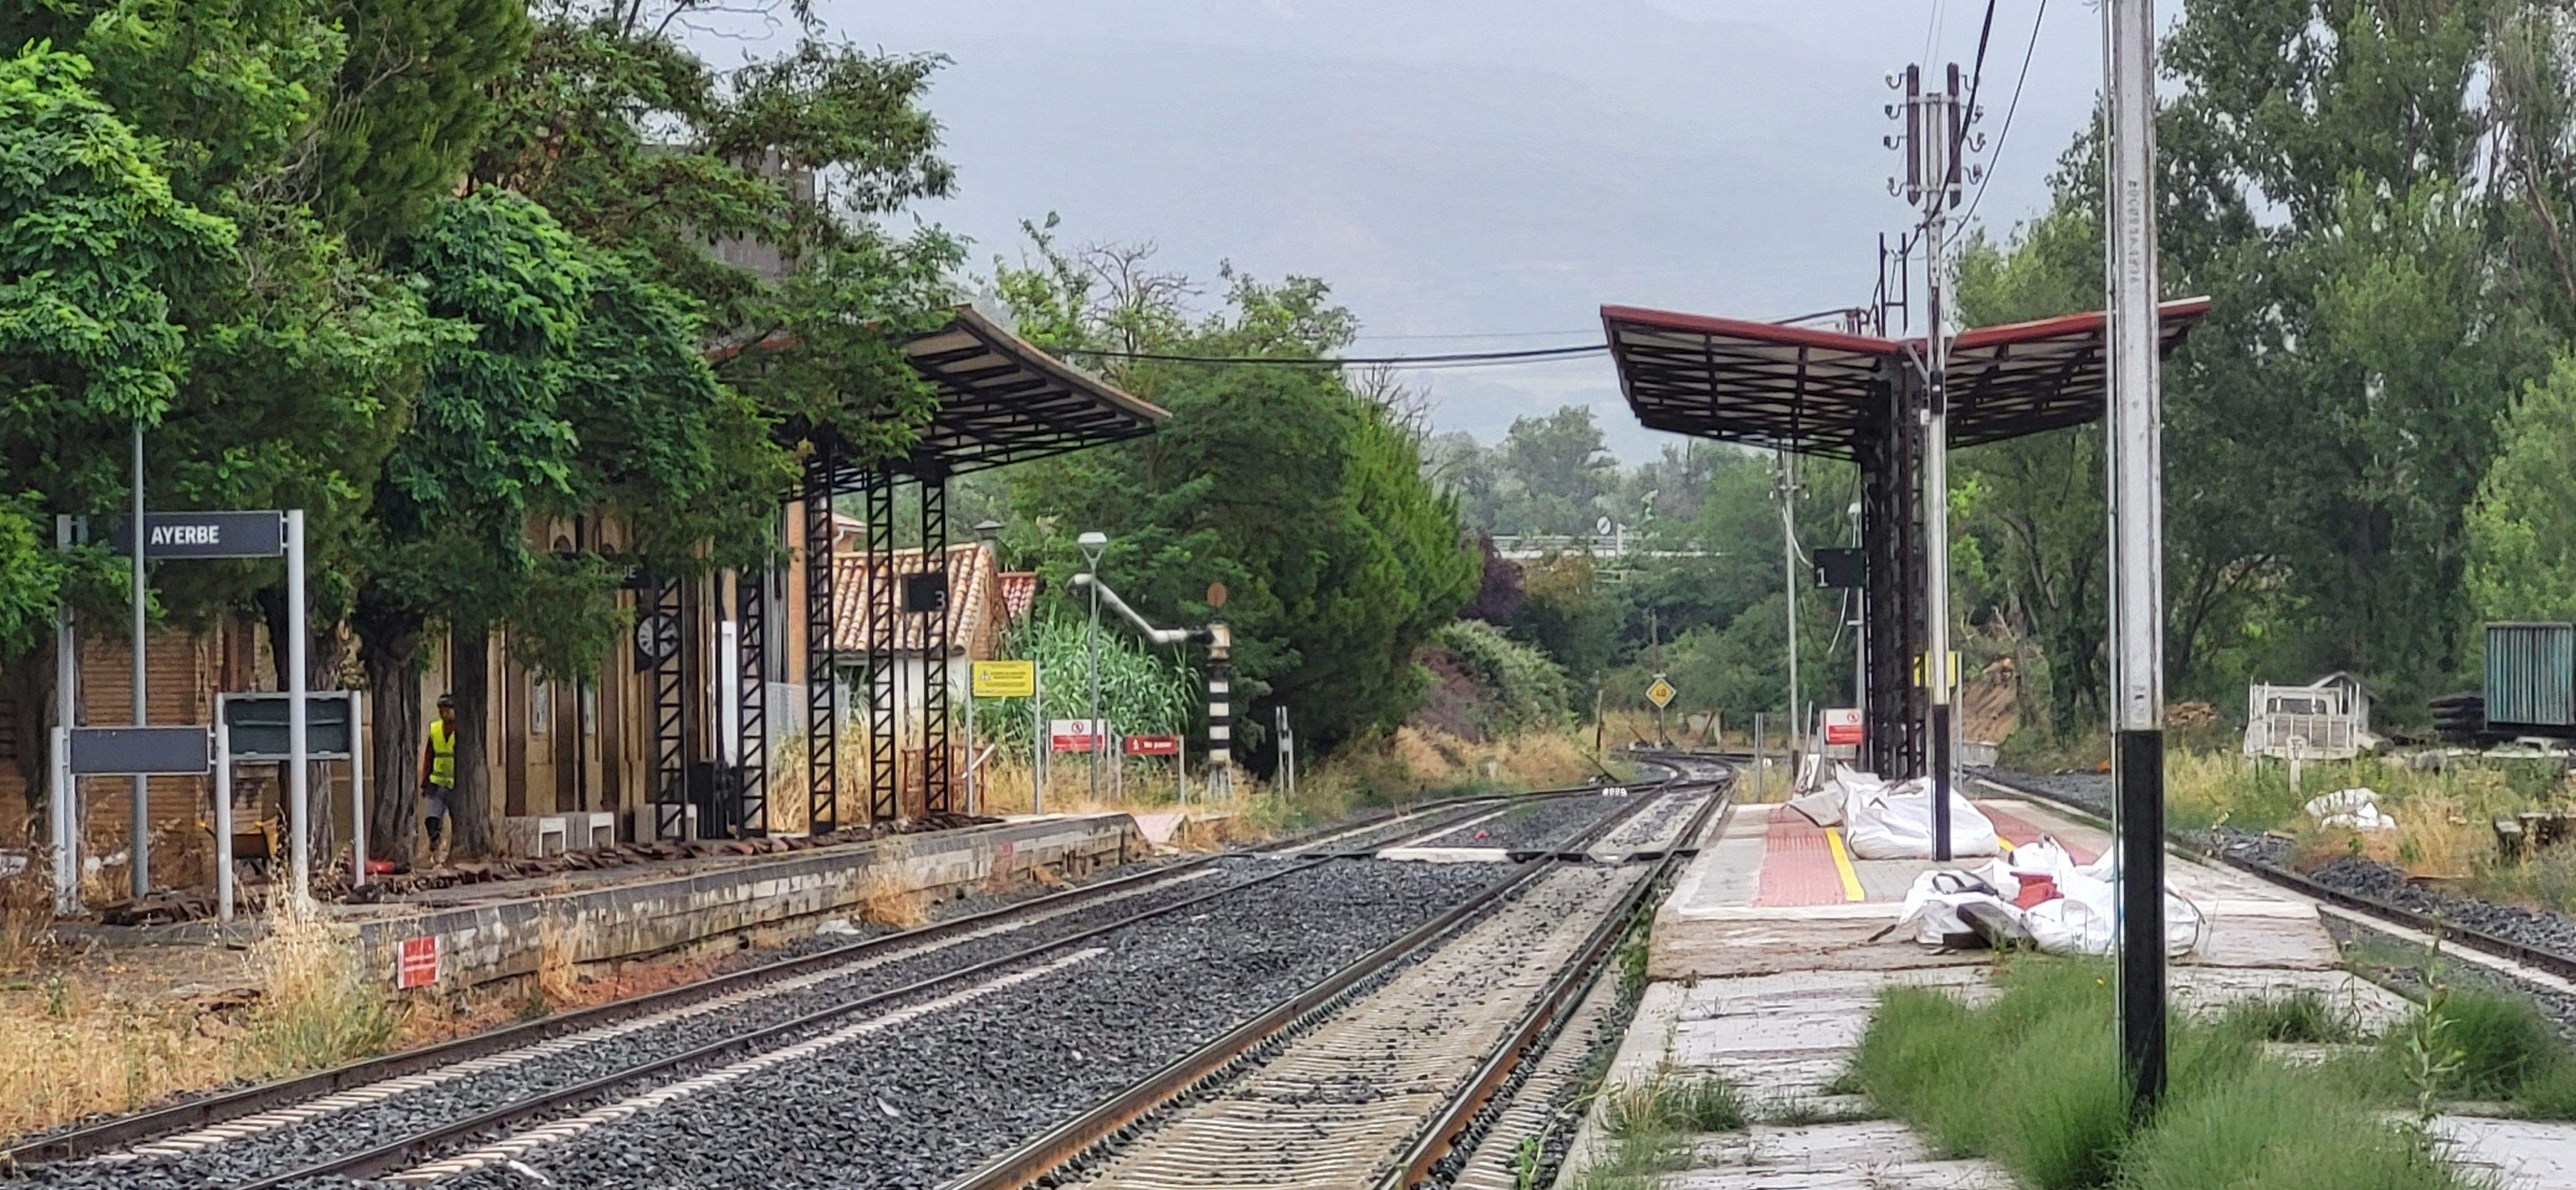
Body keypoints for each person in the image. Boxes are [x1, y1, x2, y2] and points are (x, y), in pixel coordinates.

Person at [419, 693, 457, 864]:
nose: (444, 714)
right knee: (432, 819)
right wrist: (425, 781)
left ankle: (450, 851)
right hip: (437, 784)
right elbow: (429, 756)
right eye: (442, 711)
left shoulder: (462, 731)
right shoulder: (435, 730)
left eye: (447, 711)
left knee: (458, 821)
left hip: (457, 786)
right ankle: (435, 848)